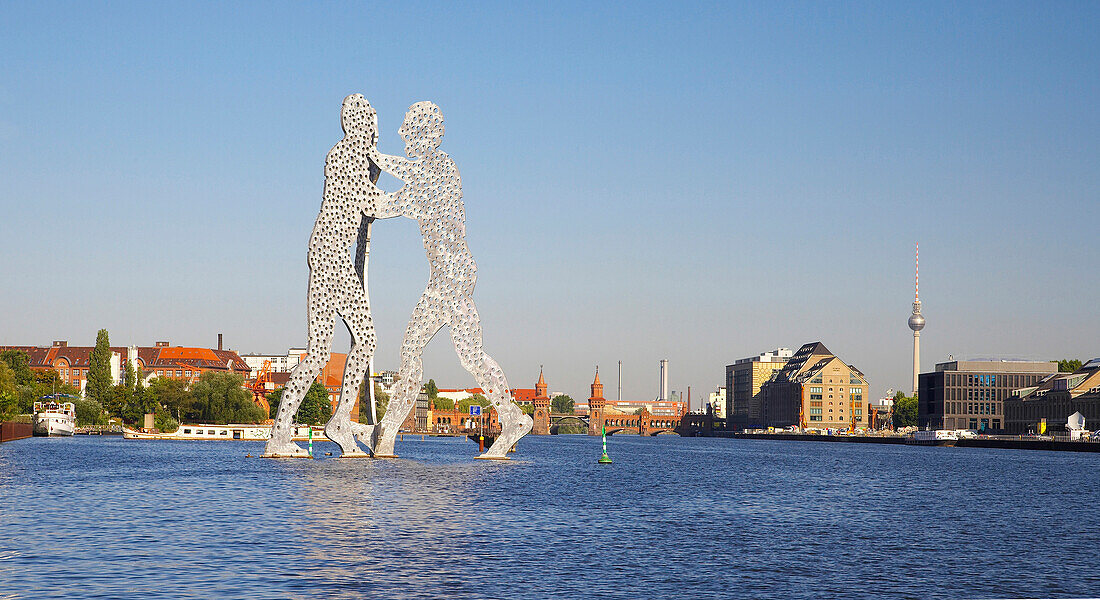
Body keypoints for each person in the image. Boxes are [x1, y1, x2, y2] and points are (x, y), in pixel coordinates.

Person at [364, 101, 532, 459]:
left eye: (408, 127)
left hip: (450, 280)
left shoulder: (441, 169)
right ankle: (512, 417)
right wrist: (375, 156)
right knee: (459, 355)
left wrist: (359, 194)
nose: (401, 133)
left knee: (427, 353)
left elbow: (394, 203)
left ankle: (389, 435)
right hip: (449, 277)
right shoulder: (431, 166)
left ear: (426, 133)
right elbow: (408, 170)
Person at [262, 94, 386, 458]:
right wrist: (414, 199)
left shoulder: (349, 157)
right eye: (373, 127)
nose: (375, 135)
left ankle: (283, 433)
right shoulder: (345, 155)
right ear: (359, 124)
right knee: (363, 340)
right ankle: (336, 422)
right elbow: (372, 203)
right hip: (332, 259)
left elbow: (365, 203)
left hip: (329, 257)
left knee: (321, 353)